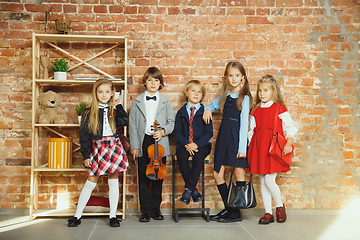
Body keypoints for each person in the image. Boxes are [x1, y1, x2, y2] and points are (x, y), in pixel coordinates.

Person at [68, 79, 129, 227]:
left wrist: (119, 105)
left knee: (113, 182)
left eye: (107, 92)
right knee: (90, 183)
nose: (104, 94)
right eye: (100, 91)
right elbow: (83, 136)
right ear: (95, 93)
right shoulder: (88, 112)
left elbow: (124, 121)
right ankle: (77, 216)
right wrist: (86, 156)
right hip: (98, 149)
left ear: (112, 93)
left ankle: (113, 216)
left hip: (114, 148)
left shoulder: (115, 110)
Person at [203, 61, 252, 223]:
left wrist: (242, 148)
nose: (234, 78)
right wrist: (208, 109)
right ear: (226, 78)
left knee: (239, 173)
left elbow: (244, 123)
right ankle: (230, 209)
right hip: (224, 135)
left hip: (237, 137)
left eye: (237, 75)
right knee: (217, 173)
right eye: (230, 75)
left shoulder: (244, 98)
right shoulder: (225, 96)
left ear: (243, 78)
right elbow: (210, 105)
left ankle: (235, 212)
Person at [248, 74, 299, 224]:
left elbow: (290, 126)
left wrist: (289, 143)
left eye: (265, 90)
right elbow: (251, 131)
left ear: (273, 91)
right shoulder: (256, 110)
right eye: (260, 91)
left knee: (270, 180)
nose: (262, 94)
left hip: (273, 148)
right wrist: (251, 149)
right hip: (259, 148)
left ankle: (279, 207)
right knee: (263, 181)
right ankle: (268, 213)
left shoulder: (279, 108)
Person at [129, 67, 175, 222]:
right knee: (143, 177)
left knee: (158, 177)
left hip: (159, 143)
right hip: (143, 141)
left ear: (160, 83)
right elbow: (133, 125)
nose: (153, 83)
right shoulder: (137, 102)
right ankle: (145, 211)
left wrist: (162, 131)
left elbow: (171, 123)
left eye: (156, 80)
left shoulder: (166, 102)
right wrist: (134, 146)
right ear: (145, 82)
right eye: (150, 80)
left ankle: (156, 209)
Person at [173, 80, 213, 205]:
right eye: (193, 90)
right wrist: (186, 143)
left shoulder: (205, 111)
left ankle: (188, 190)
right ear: (186, 92)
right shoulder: (181, 112)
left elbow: (209, 133)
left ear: (202, 95)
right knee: (181, 156)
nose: (196, 94)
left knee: (198, 158)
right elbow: (177, 132)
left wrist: (196, 144)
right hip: (184, 144)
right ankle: (193, 190)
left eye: (200, 92)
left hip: (201, 145)